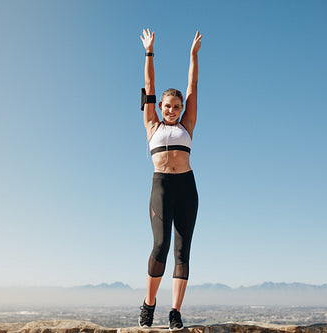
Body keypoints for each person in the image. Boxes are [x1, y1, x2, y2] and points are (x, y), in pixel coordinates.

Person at [138, 28, 202, 331]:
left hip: (186, 187)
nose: (173, 110)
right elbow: (149, 84)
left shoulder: (187, 124)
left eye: (177, 106)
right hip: (161, 186)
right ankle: (149, 304)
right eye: (168, 106)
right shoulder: (152, 125)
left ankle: (175, 311)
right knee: (160, 244)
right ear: (160, 108)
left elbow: (193, 86)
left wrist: (193, 55)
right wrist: (149, 52)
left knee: (182, 249)